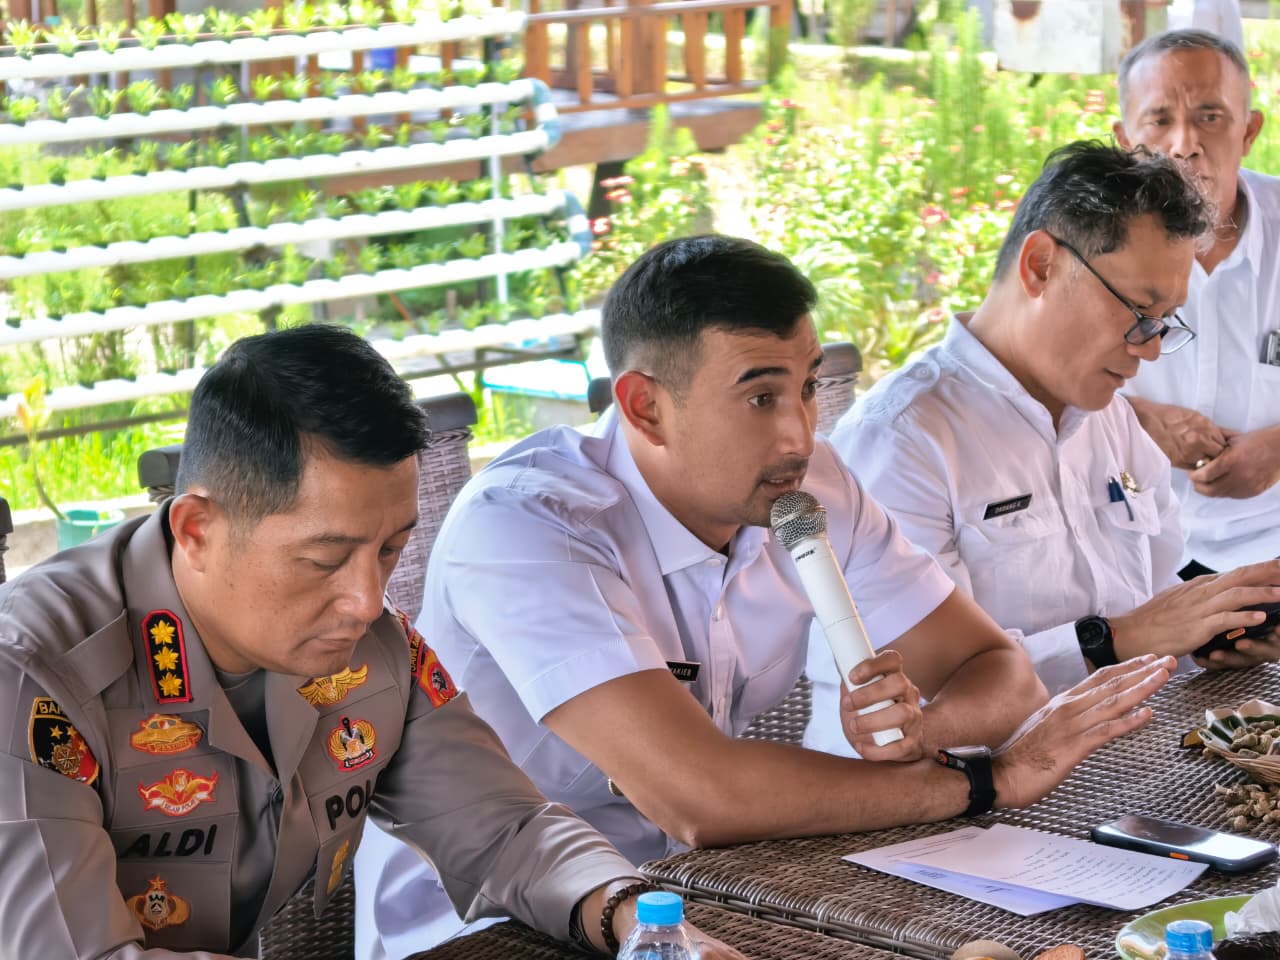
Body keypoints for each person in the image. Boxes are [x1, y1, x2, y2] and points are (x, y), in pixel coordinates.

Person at [354, 233, 1177, 959]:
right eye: (759, 397)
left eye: (807, 387)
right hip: (492, 926)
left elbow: (998, 671)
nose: (799, 434)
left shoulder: (806, 490)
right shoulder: (530, 523)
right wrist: (984, 782)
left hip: (712, 891)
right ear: (645, 407)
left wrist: (924, 729)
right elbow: (701, 797)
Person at [0, 324, 745, 959]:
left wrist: (631, 918)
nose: (366, 600)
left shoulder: (370, 646)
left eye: (389, 549)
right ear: (197, 529)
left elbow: (504, 828)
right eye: (325, 559)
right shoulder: (30, 676)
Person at [813, 142, 1280, 750]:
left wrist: (1221, 630)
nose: (1150, 349)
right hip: (947, 788)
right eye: (1139, 311)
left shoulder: (1111, 421)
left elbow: (1160, 599)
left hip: (1114, 766)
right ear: (1040, 266)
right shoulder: (900, 442)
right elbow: (918, 701)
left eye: (1165, 321)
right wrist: (1114, 641)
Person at [1113, 29, 1280, 575]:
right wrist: (1136, 421)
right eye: (1160, 120)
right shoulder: (1081, 241)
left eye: (1210, 116)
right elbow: (1025, 383)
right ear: (1125, 139)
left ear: (1249, 130)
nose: (1185, 144)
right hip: (1126, 545)